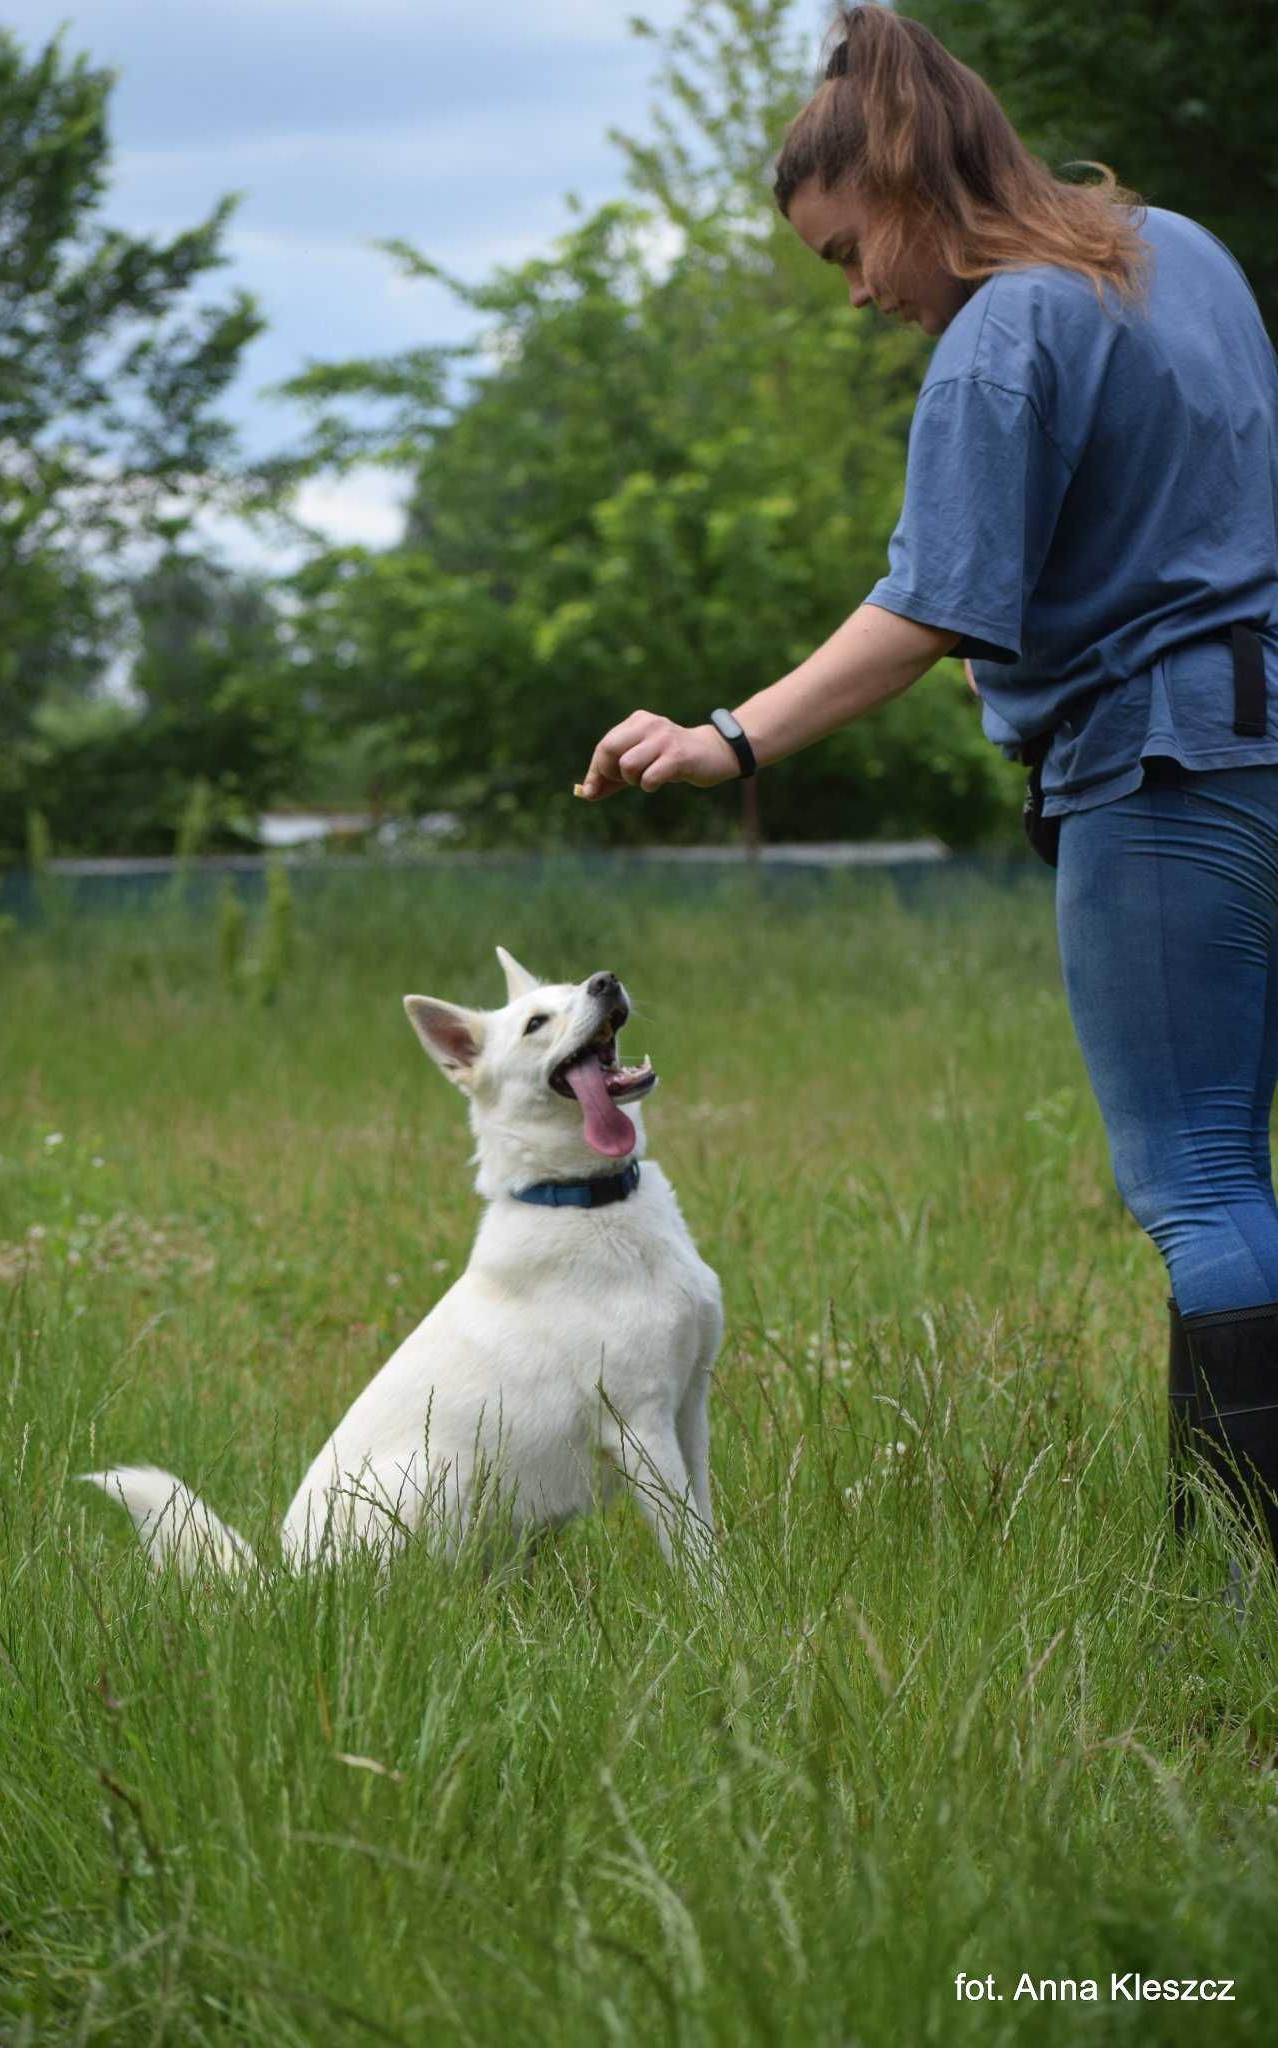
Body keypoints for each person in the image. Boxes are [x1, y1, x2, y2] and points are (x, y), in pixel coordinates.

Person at [579, 5, 1278, 1569]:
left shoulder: (1001, 330)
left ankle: (1242, 1582)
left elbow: (928, 610)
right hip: (1267, 733)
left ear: (905, 181)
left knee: (1205, 1182)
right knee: (1249, 1168)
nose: (859, 294)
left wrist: (728, 736)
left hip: (1163, 771)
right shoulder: (1179, 252)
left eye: (845, 254)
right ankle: (1219, 1566)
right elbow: (1197, 512)